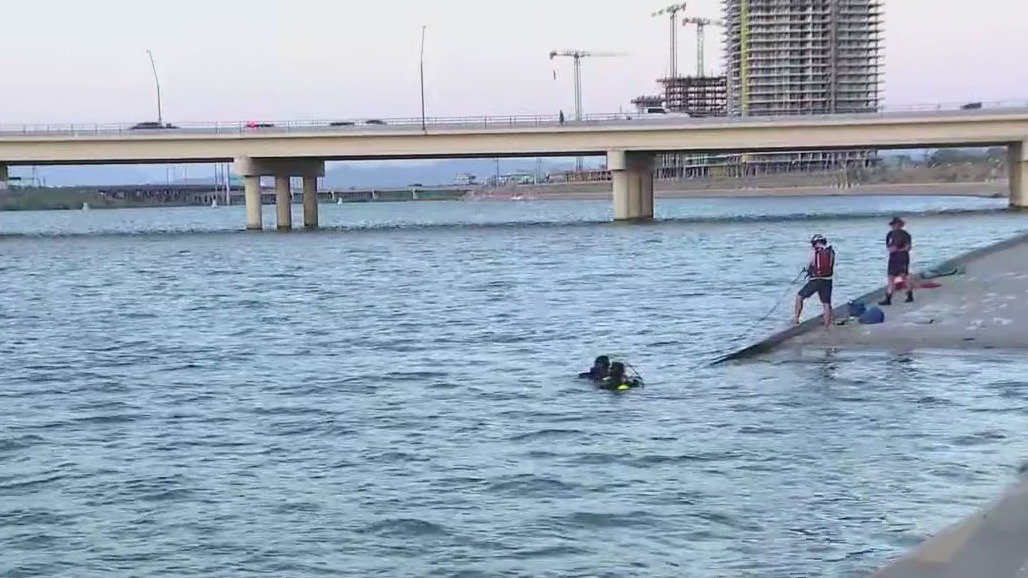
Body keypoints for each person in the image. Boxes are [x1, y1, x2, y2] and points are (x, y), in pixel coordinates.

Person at [792, 234, 836, 328]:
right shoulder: (831, 251)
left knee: (799, 297)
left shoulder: (815, 252)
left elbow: (809, 265)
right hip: (828, 280)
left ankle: (796, 319)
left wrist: (807, 270)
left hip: (816, 280)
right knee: (826, 303)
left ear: (815, 243)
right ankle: (827, 326)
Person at [880, 217, 914, 305]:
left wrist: (898, 249)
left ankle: (909, 294)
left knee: (904, 276)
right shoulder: (889, 234)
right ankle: (888, 297)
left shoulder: (905, 235)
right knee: (890, 277)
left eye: (896, 225)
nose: (894, 226)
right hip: (893, 257)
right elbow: (888, 246)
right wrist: (891, 249)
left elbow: (908, 247)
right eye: (893, 225)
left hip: (902, 257)